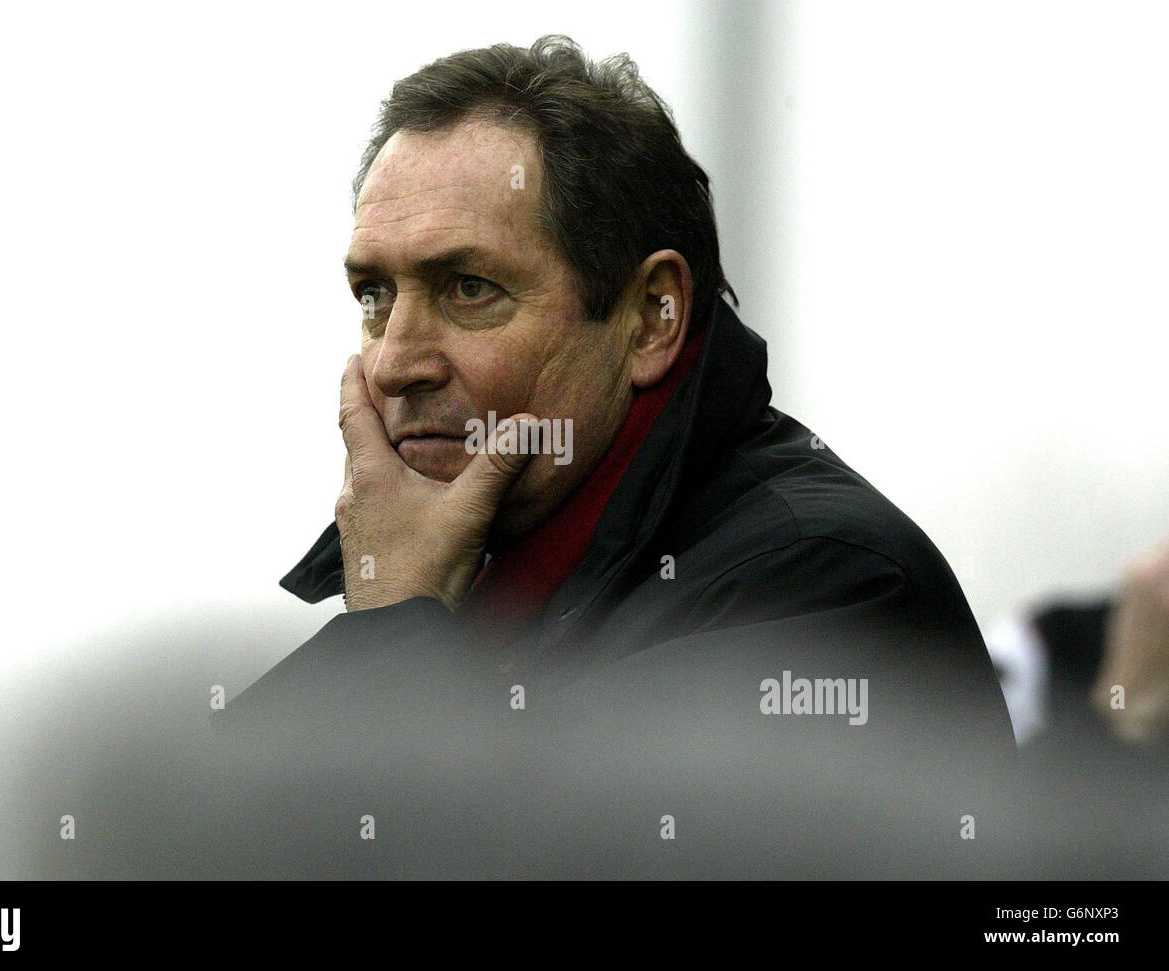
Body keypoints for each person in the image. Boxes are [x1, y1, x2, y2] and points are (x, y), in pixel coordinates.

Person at [210, 39, 1016, 873]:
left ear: (651, 318)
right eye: (375, 296)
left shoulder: (826, 586)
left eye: (468, 289)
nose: (393, 362)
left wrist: (390, 636)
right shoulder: (462, 580)